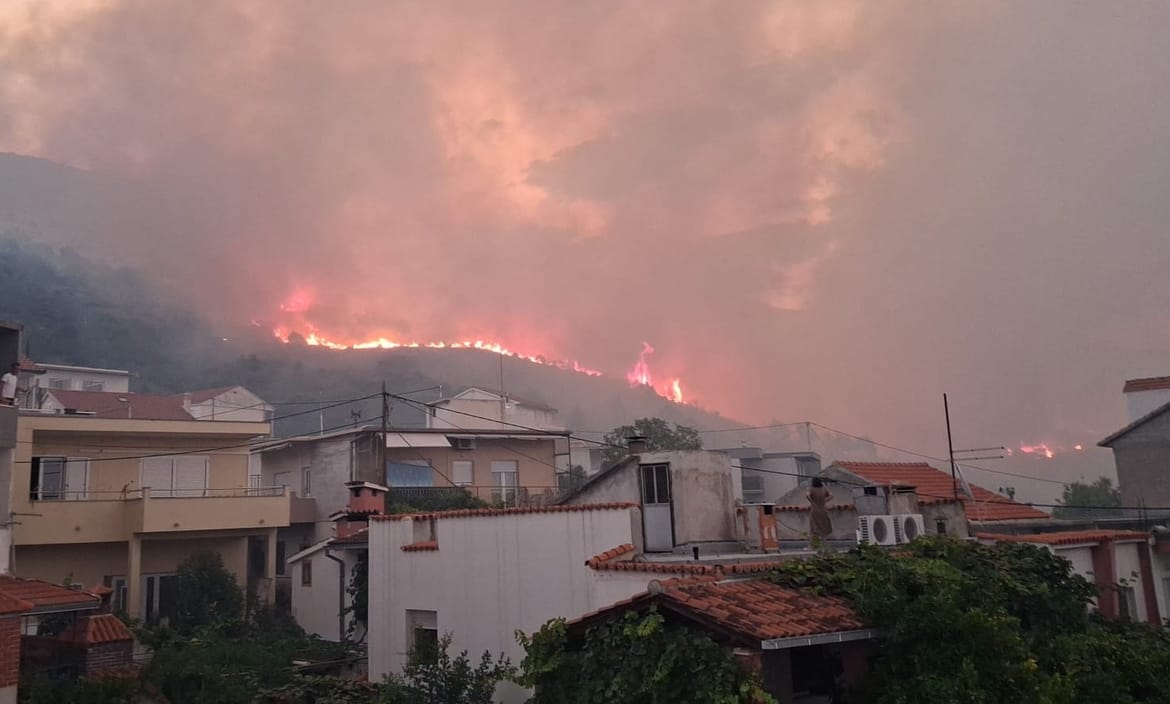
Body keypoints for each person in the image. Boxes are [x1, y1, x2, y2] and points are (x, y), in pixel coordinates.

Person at [806, 477, 833, 550]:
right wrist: (825, 500)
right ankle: (824, 546)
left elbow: (807, 495)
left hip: (815, 510)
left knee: (813, 529)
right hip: (823, 510)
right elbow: (831, 495)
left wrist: (812, 503)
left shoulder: (811, 489)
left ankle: (811, 546)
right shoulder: (824, 489)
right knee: (823, 528)